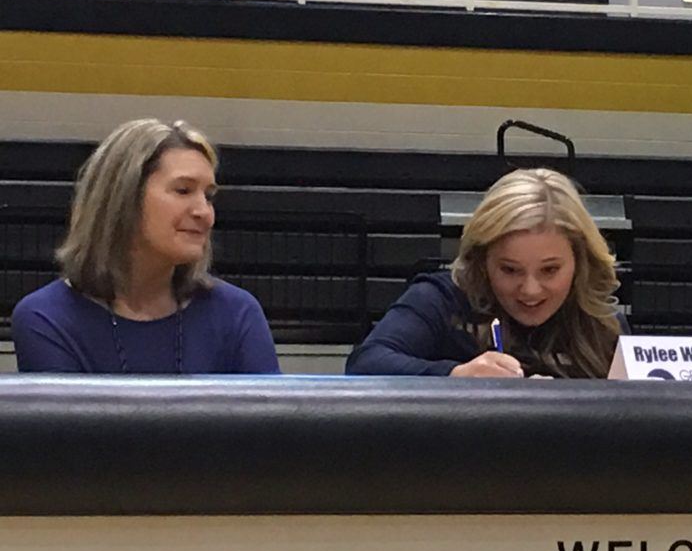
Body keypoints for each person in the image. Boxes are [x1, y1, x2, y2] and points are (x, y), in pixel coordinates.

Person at [12, 119, 280, 374]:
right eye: (183, 191)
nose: (205, 213)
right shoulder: (47, 318)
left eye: (208, 197)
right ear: (124, 198)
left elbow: (273, 421)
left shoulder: (236, 313)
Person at [346, 168, 625, 378]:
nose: (530, 289)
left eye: (550, 270)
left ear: (580, 262)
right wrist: (458, 375)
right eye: (509, 270)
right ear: (481, 261)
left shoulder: (602, 321)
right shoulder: (441, 299)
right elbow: (366, 363)